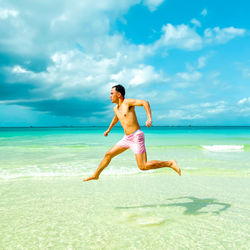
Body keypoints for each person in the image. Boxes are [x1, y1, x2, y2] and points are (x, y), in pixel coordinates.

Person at [83, 84, 181, 182]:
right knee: (108, 154)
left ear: (119, 94)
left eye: (112, 93)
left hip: (136, 136)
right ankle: (96, 175)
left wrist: (149, 118)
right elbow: (117, 117)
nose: (110, 96)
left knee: (143, 166)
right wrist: (109, 129)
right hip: (127, 138)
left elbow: (144, 102)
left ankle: (170, 163)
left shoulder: (128, 103)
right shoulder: (115, 108)